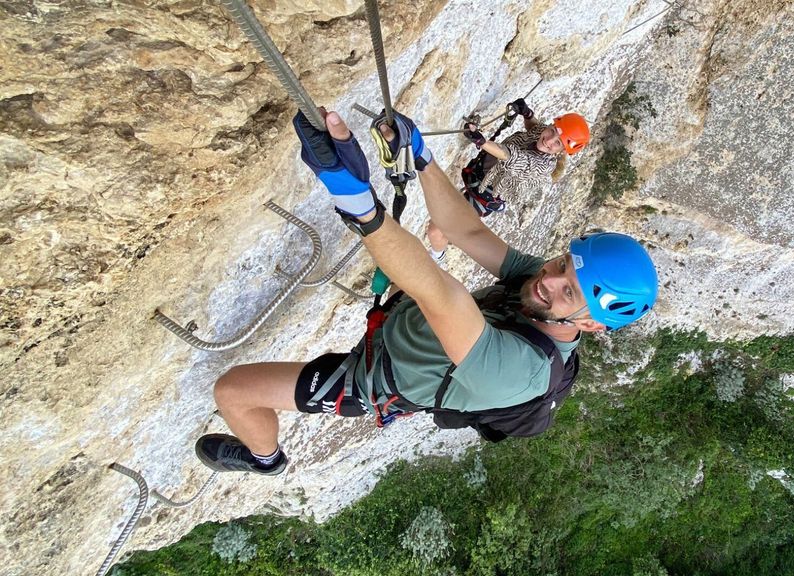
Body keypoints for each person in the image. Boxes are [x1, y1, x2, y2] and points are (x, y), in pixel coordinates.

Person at [194, 106, 656, 475]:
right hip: (402, 323)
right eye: (560, 264)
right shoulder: (545, 285)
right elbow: (469, 233)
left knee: (233, 390)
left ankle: (264, 459)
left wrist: (353, 197)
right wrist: (420, 157)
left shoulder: (523, 373)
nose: (550, 280)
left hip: (375, 376)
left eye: (569, 293)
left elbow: (441, 295)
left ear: (591, 324)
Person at [425, 98, 591, 263]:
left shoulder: (542, 166)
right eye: (552, 131)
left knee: (436, 230)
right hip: (479, 175)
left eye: (557, 143)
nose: (548, 140)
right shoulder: (543, 133)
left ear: (561, 151)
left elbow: (509, 156)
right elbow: (534, 127)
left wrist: (480, 141)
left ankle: (436, 258)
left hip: (484, 196)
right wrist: (527, 114)